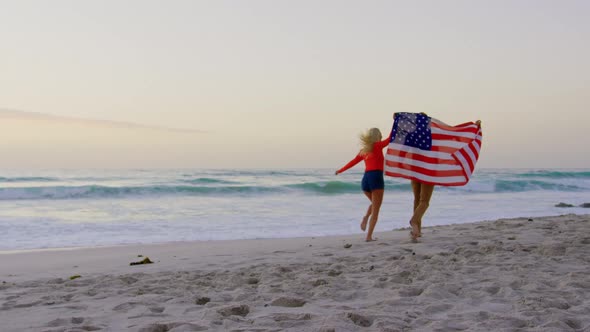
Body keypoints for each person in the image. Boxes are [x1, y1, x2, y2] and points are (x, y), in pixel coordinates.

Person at [409, 119, 481, 242]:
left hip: (415, 170)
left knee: (417, 200)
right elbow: (453, 134)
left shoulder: (413, 138)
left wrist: (399, 120)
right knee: (424, 201)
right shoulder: (434, 137)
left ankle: (417, 231)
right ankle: (414, 221)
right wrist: (474, 127)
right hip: (428, 171)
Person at [335, 127, 390, 242]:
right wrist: (396, 121)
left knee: (375, 204)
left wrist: (340, 170)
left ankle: (365, 218)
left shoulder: (364, 150)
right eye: (380, 135)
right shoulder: (378, 146)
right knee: (376, 209)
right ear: (377, 136)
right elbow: (391, 138)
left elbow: (353, 162)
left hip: (365, 180)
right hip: (376, 178)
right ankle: (369, 237)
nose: (382, 136)